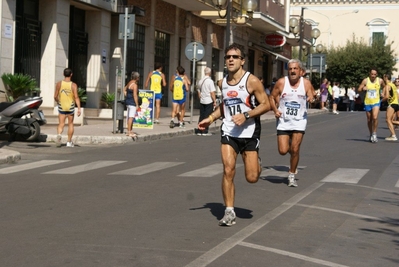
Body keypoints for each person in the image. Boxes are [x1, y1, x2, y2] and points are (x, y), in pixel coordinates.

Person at [198, 43, 270, 226]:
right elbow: (225, 106)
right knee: (228, 170)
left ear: (242, 60)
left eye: (234, 57)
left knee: (252, 177)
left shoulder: (251, 81)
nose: (230, 60)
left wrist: (246, 115)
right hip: (229, 130)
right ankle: (229, 211)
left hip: (250, 131)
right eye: (227, 57)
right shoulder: (222, 83)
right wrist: (211, 118)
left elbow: (266, 104)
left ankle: (257, 163)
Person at [269, 59, 316, 187]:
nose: (292, 71)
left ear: (300, 71)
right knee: (283, 150)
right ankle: (293, 152)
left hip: (299, 120)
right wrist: (275, 110)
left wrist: (312, 97)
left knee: (295, 149)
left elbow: (312, 94)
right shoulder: (281, 82)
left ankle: (291, 175)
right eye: (290, 69)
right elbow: (271, 97)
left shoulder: (305, 83)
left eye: (295, 69)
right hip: (284, 121)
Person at [54, 68, 81, 147]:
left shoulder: (59, 84)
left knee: (61, 124)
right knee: (70, 124)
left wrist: (58, 101)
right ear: (71, 74)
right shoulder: (73, 85)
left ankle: (59, 134)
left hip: (62, 106)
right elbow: (76, 97)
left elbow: (55, 96)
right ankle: (69, 142)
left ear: (63, 74)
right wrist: (79, 108)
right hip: (70, 107)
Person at [357, 67, 384, 143]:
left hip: (376, 101)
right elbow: (358, 89)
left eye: (374, 74)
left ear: (377, 74)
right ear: (369, 73)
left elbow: (385, 87)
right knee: (369, 119)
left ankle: (374, 134)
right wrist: (363, 89)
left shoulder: (380, 80)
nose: (373, 76)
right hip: (368, 102)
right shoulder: (365, 80)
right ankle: (371, 134)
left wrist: (382, 92)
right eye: (372, 74)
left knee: (375, 117)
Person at [196, 67, 216, 136]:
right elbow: (212, 93)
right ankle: (205, 130)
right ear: (209, 73)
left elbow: (198, 89)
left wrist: (200, 96)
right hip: (209, 100)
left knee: (201, 115)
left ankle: (199, 130)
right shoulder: (210, 81)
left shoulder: (201, 80)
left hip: (202, 100)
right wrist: (214, 101)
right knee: (207, 116)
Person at [382, 74, 398, 141]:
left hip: (391, 104)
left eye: (383, 77)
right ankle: (392, 134)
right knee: (390, 121)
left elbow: (387, 96)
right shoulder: (393, 85)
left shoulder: (387, 85)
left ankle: (394, 136)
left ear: (386, 78)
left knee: (388, 120)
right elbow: (397, 95)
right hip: (396, 103)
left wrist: (380, 101)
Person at [124, 71, 140, 139]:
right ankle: (129, 132)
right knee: (131, 117)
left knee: (129, 117)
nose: (139, 79)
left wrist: (127, 96)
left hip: (128, 102)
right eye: (138, 77)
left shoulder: (129, 83)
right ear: (136, 78)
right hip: (132, 103)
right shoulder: (134, 85)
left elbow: (124, 89)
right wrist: (137, 104)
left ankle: (130, 130)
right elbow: (135, 95)